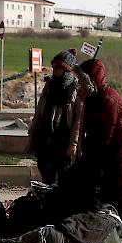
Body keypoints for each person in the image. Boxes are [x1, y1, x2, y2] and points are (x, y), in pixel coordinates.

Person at [73, 59, 122, 243]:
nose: (80, 84)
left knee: (119, 199)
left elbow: (104, 136)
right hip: (106, 158)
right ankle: (101, 238)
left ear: (92, 79)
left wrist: (89, 163)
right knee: (98, 198)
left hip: (117, 158)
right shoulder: (94, 98)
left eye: (82, 80)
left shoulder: (109, 100)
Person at [28, 49, 83, 185]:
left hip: (63, 138)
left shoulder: (75, 88)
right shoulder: (50, 85)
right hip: (46, 137)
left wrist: (73, 144)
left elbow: (78, 120)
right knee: (45, 170)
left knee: (64, 174)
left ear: (66, 69)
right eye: (53, 66)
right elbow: (40, 111)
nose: (54, 70)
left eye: (58, 67)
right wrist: (32, 133)